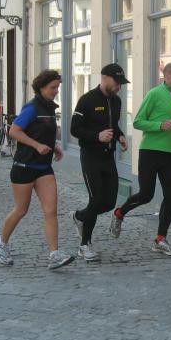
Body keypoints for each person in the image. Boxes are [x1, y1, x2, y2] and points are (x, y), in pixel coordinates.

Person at [0, 69, 74, 270]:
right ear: (42, 87)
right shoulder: (32, 108)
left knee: (51, 210)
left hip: (44, 168)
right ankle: (1, 243)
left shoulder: (49, 108)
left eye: (58, 87)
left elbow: (42, 132)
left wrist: (53, 146)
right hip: (24, 167)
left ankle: (54, 254)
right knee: (21, 210)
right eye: (53, 87)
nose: (56, 91)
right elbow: (14, 131)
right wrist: (37, 145)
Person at [110, 63, 171, 256]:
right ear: (166, 76)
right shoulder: (154, 94)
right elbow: (137, 122)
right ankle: (119, 213)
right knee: (146, 194)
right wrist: (159, 126)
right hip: (150, 151)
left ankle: (160, 239)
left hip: (169, 154)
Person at [69, 63, 130, 261]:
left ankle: (80, 216)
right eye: (116, 82)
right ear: (104, 78)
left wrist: (120, 136)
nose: (119, 86)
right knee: (95, 199)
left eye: (121, 83)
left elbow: (114, 125)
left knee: (109, 202)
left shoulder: (116, 101)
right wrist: (97, 136)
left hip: (108, 157)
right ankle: (84, 245)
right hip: (91, 156)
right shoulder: (87, 100)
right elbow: (74, 129)